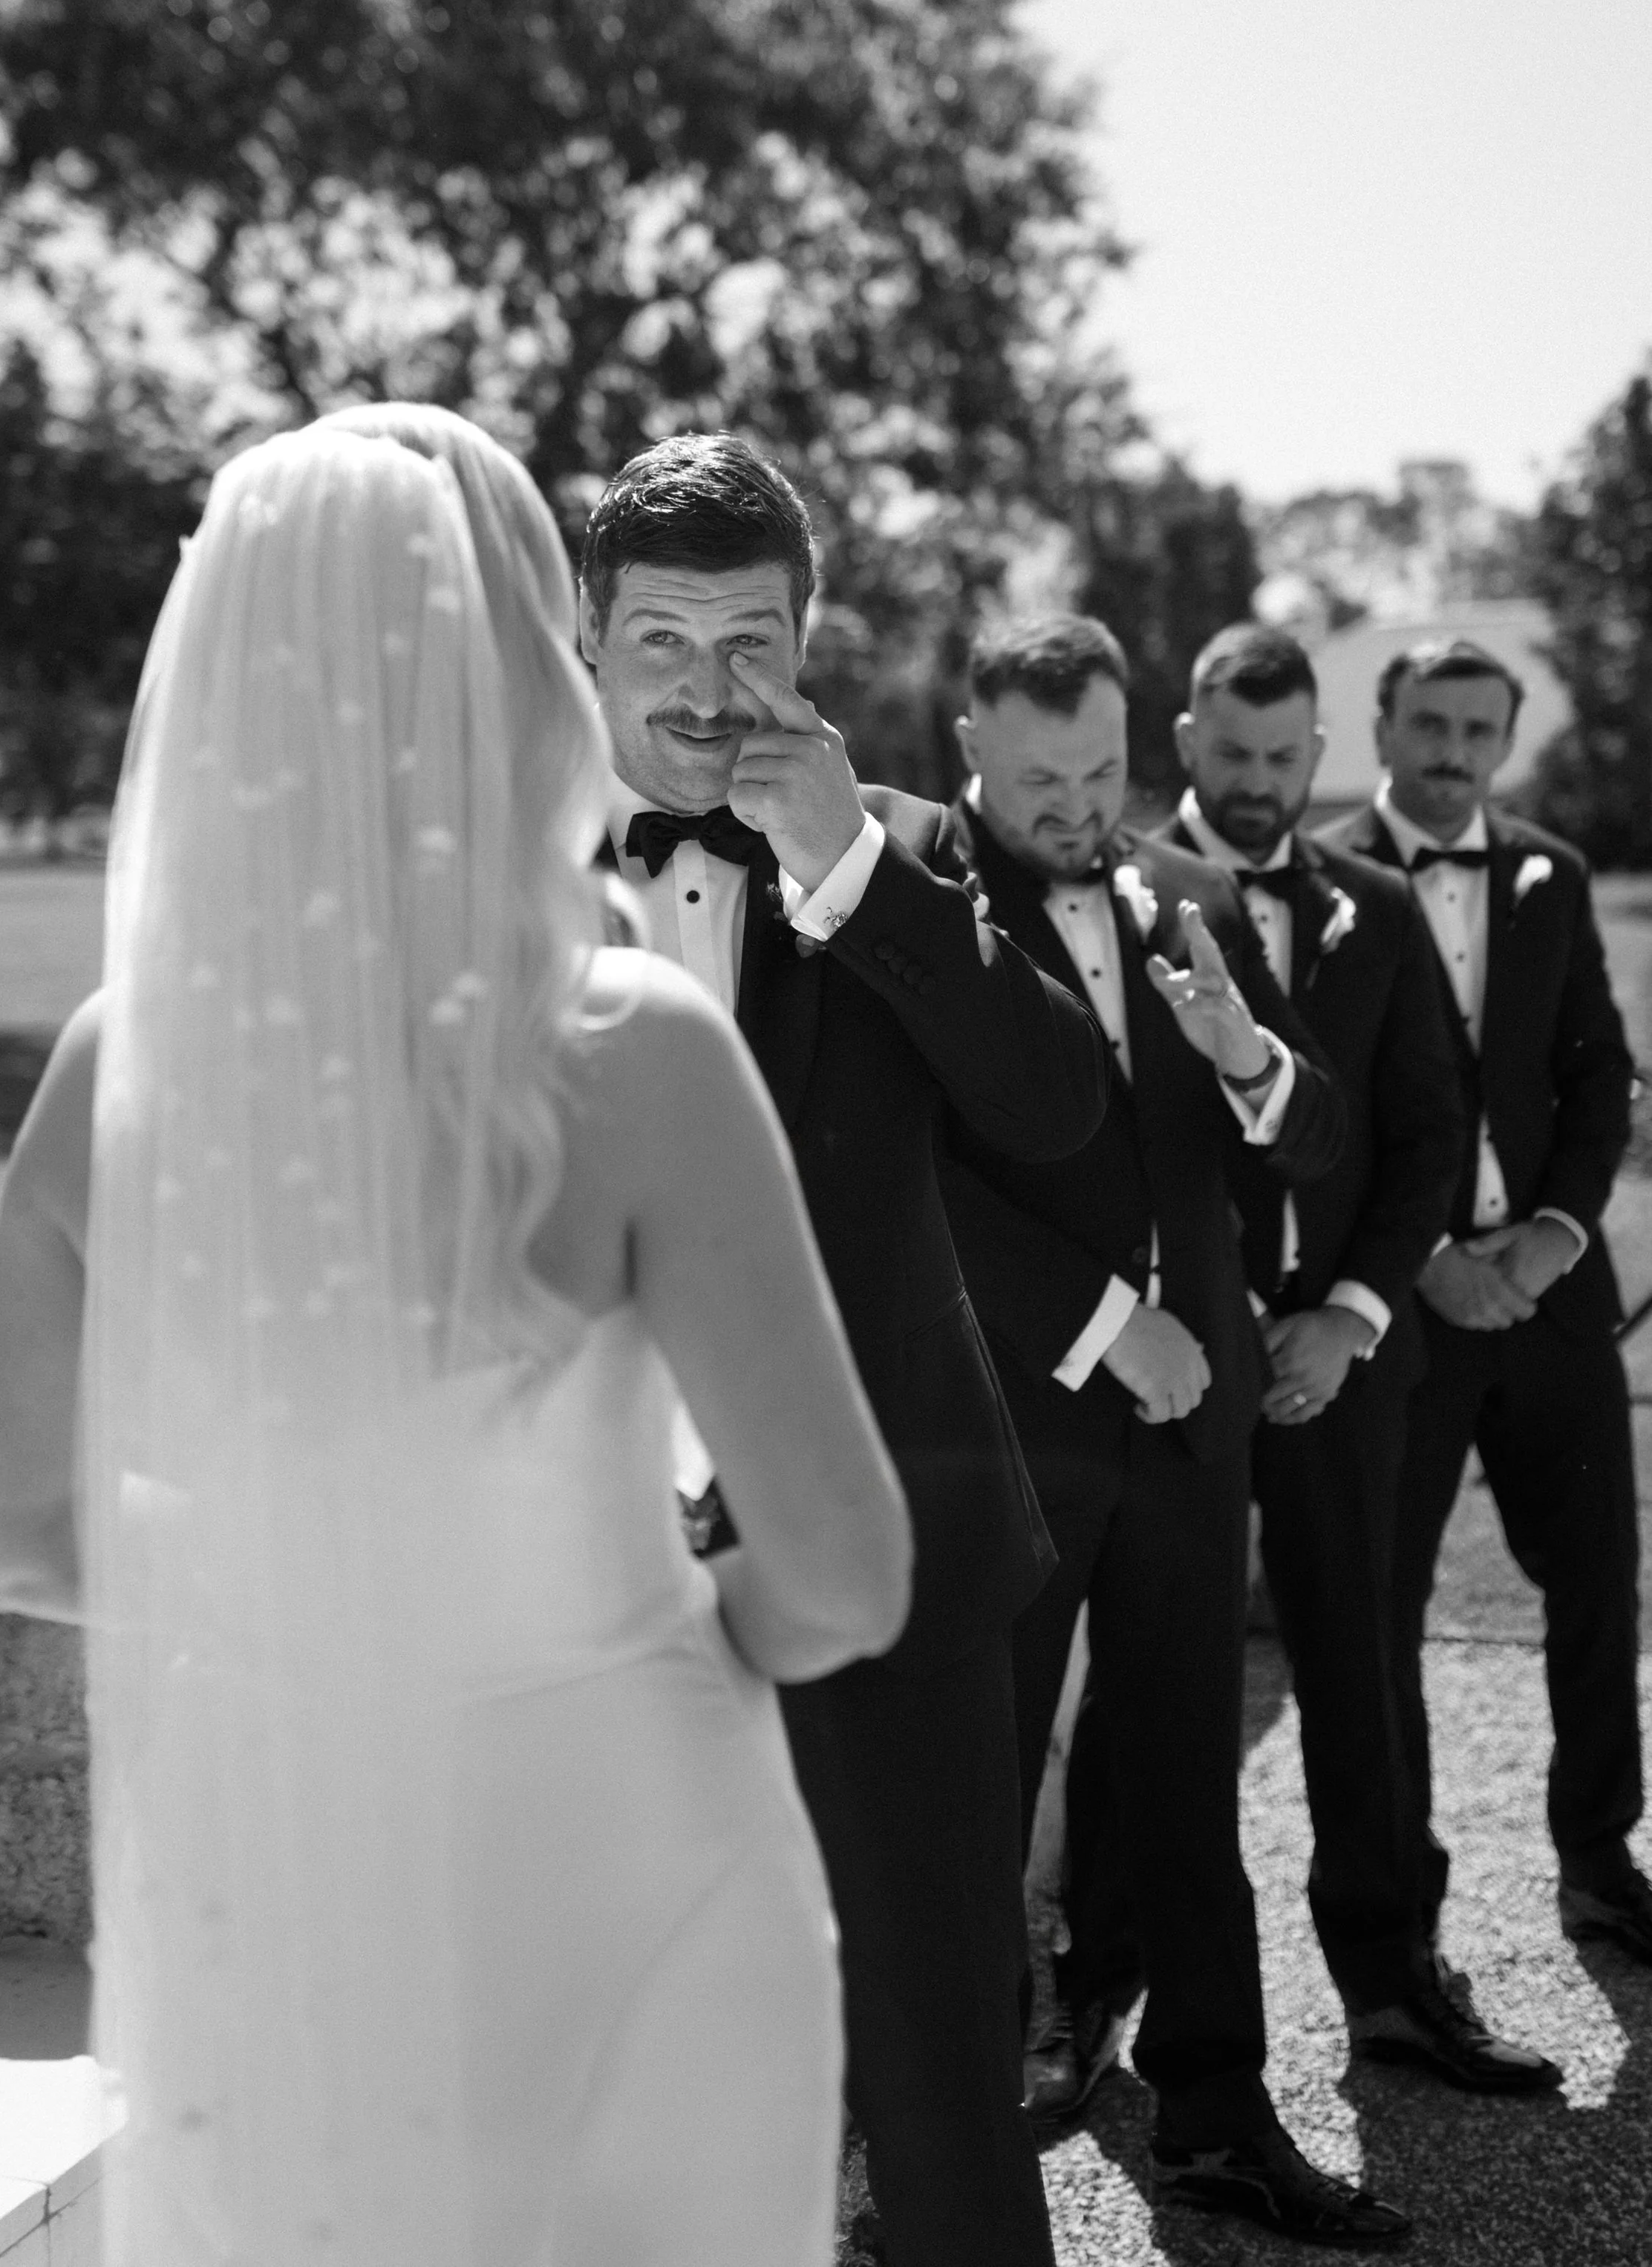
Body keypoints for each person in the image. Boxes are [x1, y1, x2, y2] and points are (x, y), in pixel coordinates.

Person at [0, 410, 915, 2267]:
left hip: (297, 1886)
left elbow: (15, 1534)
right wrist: (648, 1637)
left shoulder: (108, 1067)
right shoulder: (628, 1050)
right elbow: (847, 1575)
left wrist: (316, 1599)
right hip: (634, 1852)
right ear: (512, 680)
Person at [576, 433, 1109, 2267]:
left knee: (940, 2075)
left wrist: (853, 877)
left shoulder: (915, 854)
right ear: (586, 641)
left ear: (808, 648)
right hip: (576, 1589)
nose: (707, 695)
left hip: (891, 1569)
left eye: (750, 646)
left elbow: (1058, 1115)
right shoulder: (480, 868)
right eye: (660, 644)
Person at [935, 613, 1411, 2250]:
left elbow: (1314, 1148)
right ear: (971, 754)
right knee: (973, 1795)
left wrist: (1248, 1057)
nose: (1079, 809)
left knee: (1188, 1784)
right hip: (1016, 1426)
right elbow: (914, 1190)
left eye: (1100, 771)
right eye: (1040, 778)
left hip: (1193, 1424)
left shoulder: (1194, 901)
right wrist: (1097, 1331)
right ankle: (936, 2155)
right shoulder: (919, 912)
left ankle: (1216, 2119)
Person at [1153, 619, 1557, 2090]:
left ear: (1314, 755)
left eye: (1280, 758)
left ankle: (1390, 1985)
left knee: (1360, 1670)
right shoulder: (1115, 892)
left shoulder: (1373, 906)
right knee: (1157, 1687)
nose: (1255, 785)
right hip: (1171, 1371)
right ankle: (1107, 1996)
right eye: (1228, 754)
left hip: (1340, 1358)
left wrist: (1348, 1317)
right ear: (1183, 740)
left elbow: (1426, 1137)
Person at [1326, 636, 1645, 1967]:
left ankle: (1596, 1856)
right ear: (1385, 725)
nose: (1455, 753)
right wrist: (1428, 1261)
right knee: (1384, 1603)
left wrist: (1556, 1237)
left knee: (1596, 1582)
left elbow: (1599, 1074)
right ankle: (1408, 1897)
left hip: (1556, 1297)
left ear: (1504, 741)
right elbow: (1320, 1115)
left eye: (1480, 730)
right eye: (1432, 724)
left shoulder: (1550, 875)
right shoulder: (1324, 882)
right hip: (1399, 1309)